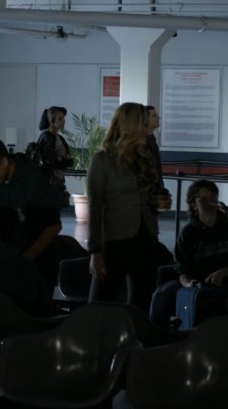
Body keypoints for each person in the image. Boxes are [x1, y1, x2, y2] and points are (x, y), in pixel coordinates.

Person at [86, 102, 159, 312]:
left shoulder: (145, 158)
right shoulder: (103, 161)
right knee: (100, 304)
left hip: (145, 237)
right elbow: (95, 207)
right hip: (115, 241)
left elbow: (147, 195)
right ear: (131, 126)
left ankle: (134, 341)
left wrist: (157, 201)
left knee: (141, 303)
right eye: (144, 124)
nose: (148, 128)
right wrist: (95, 251)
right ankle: (97, 342)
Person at [0, 135, 63, 288]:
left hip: (36, 264)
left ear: (4, 163)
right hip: (8, 261)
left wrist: (25, 259)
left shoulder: (34, 181)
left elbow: (53, 227)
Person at [148, 180, 228, 326]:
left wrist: (225, 272)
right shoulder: (188, 233)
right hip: (199, 282)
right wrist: (189, 284)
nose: (210, 203)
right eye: (203, 200)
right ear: (193, 205)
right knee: (162, 295)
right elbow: (182, 270)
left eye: (213, 198)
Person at [37, 106, 73, 206]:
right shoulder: (46, 137)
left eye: (63, 118)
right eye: (60, 119)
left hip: (58, 181)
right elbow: (52, 161)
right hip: (48, 182)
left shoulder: (59, 137)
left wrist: (61, 159)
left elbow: (70, 161)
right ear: (51, 121)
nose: (64, 121)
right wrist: (62, 159)